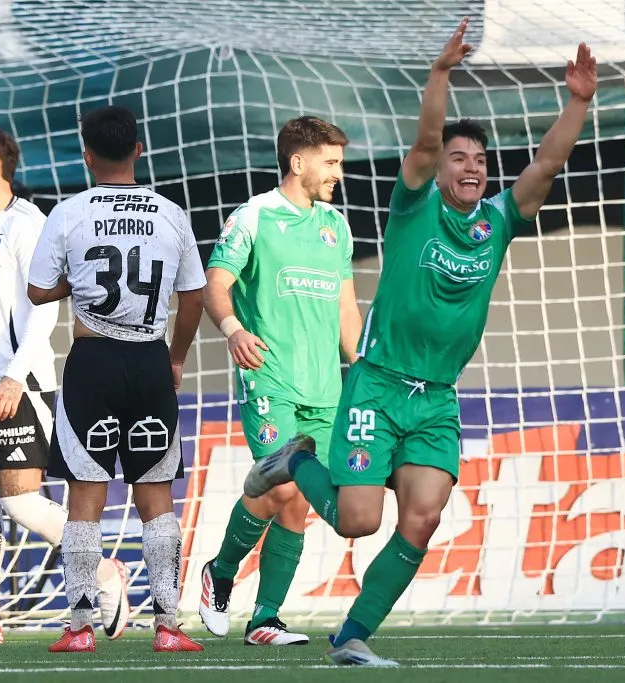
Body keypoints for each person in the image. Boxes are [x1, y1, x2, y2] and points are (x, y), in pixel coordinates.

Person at [244, 18, 598, 666]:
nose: (471, 166)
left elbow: (548, 161)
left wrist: (577, 101)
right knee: (357, 521)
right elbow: (426, 141)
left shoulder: (497, 222)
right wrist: (439, 75)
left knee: (423, 517)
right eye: (459, 158)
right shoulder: (413, 208)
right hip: (376, 384)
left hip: (435, 399)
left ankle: (352, 635)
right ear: (439, 172)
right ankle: (295, 458)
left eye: (480, 161)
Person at [0, 128, 129, 646]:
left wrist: (16, 374)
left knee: (20, 502)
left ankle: (105, 573)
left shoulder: (29, 223)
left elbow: (45, 308)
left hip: (20, 382)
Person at [27, 106, 207, 653]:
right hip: (150, 361)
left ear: (86, 155)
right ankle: (170, 626)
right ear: (139, 149)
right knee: (156, 497)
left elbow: (37, 291)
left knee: (85, 497)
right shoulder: (171, 213)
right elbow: (193, 294)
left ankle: (81, 627)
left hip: (94, 363)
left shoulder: (69, 212)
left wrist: (76, 286)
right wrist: (174, 357)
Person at [198, 116, 362, 645]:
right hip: (268, 378)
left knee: (301, 500)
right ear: (299, 162)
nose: (338, 172)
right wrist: (232, 329)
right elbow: (215, 284)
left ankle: (263, 617)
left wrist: (361, 366)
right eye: (330, 162)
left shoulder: (335, 225)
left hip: (327, 390)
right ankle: (222, 574)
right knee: (288, 483)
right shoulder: (254, 216)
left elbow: (346, 307)